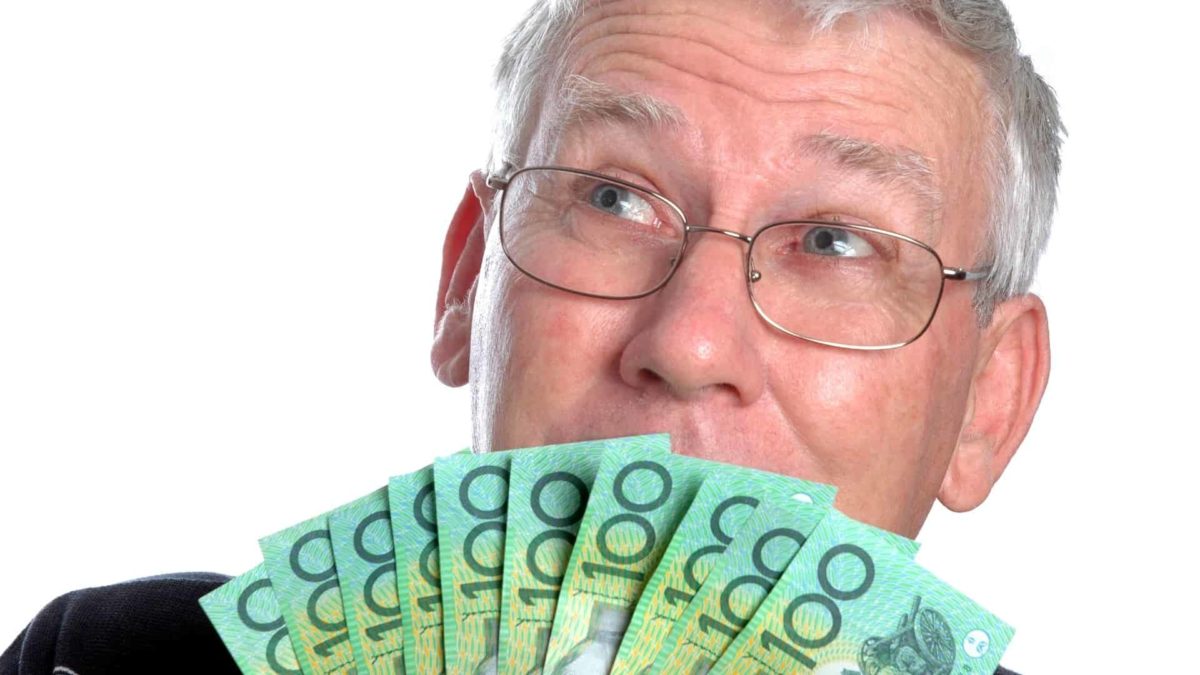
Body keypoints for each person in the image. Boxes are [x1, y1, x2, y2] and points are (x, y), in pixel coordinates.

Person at [1, 0, 1061, 673]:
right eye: (615, 197)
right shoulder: (105, 663)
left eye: (833, 241)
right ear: (467, 281)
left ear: (987, 404)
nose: (689, 343)